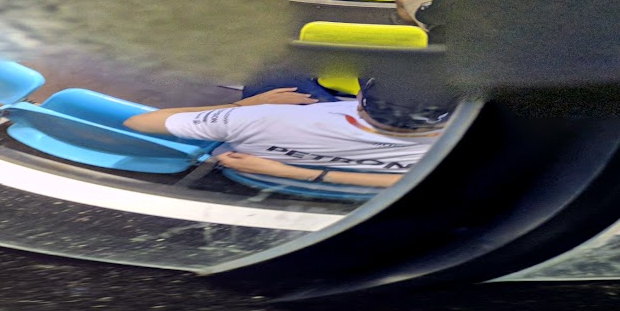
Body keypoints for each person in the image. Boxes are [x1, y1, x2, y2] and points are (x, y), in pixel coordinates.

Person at [121, 82, 452, 191]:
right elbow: (433, 181)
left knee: (278, 78)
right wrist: (311, 174)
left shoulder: (261, 118)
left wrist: (244, 104)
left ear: (362, 103)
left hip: (279, 132)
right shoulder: (470, 144)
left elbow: (141, 122)